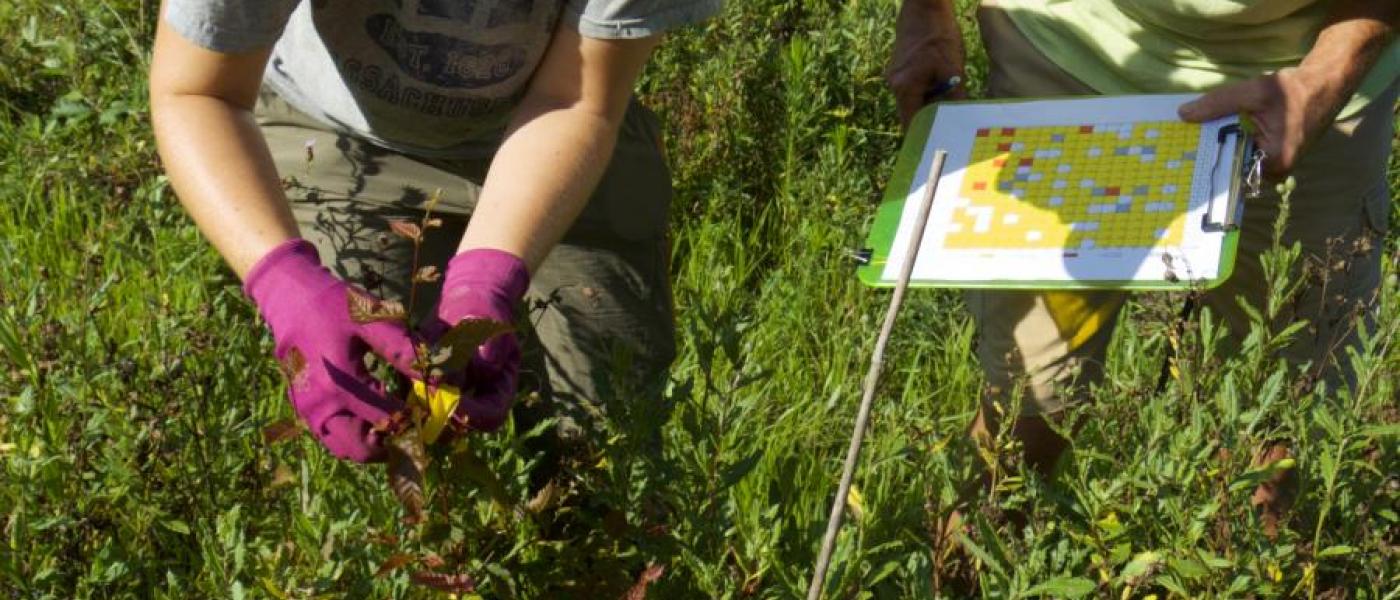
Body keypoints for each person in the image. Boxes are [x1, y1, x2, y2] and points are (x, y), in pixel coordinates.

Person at [888, 0, 1399, 534]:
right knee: (1025, 410)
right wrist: (926, 14)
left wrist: (1331, 70)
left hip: (1307, 77)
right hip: (1064, 52)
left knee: (1279, 431)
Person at [149, 0, 720, 464]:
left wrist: (485, 279)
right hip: (338, 130)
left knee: (609, 444)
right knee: (377, 427)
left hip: (564, 121)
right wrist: (288, 286)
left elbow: (575, 96)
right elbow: (199, 89)